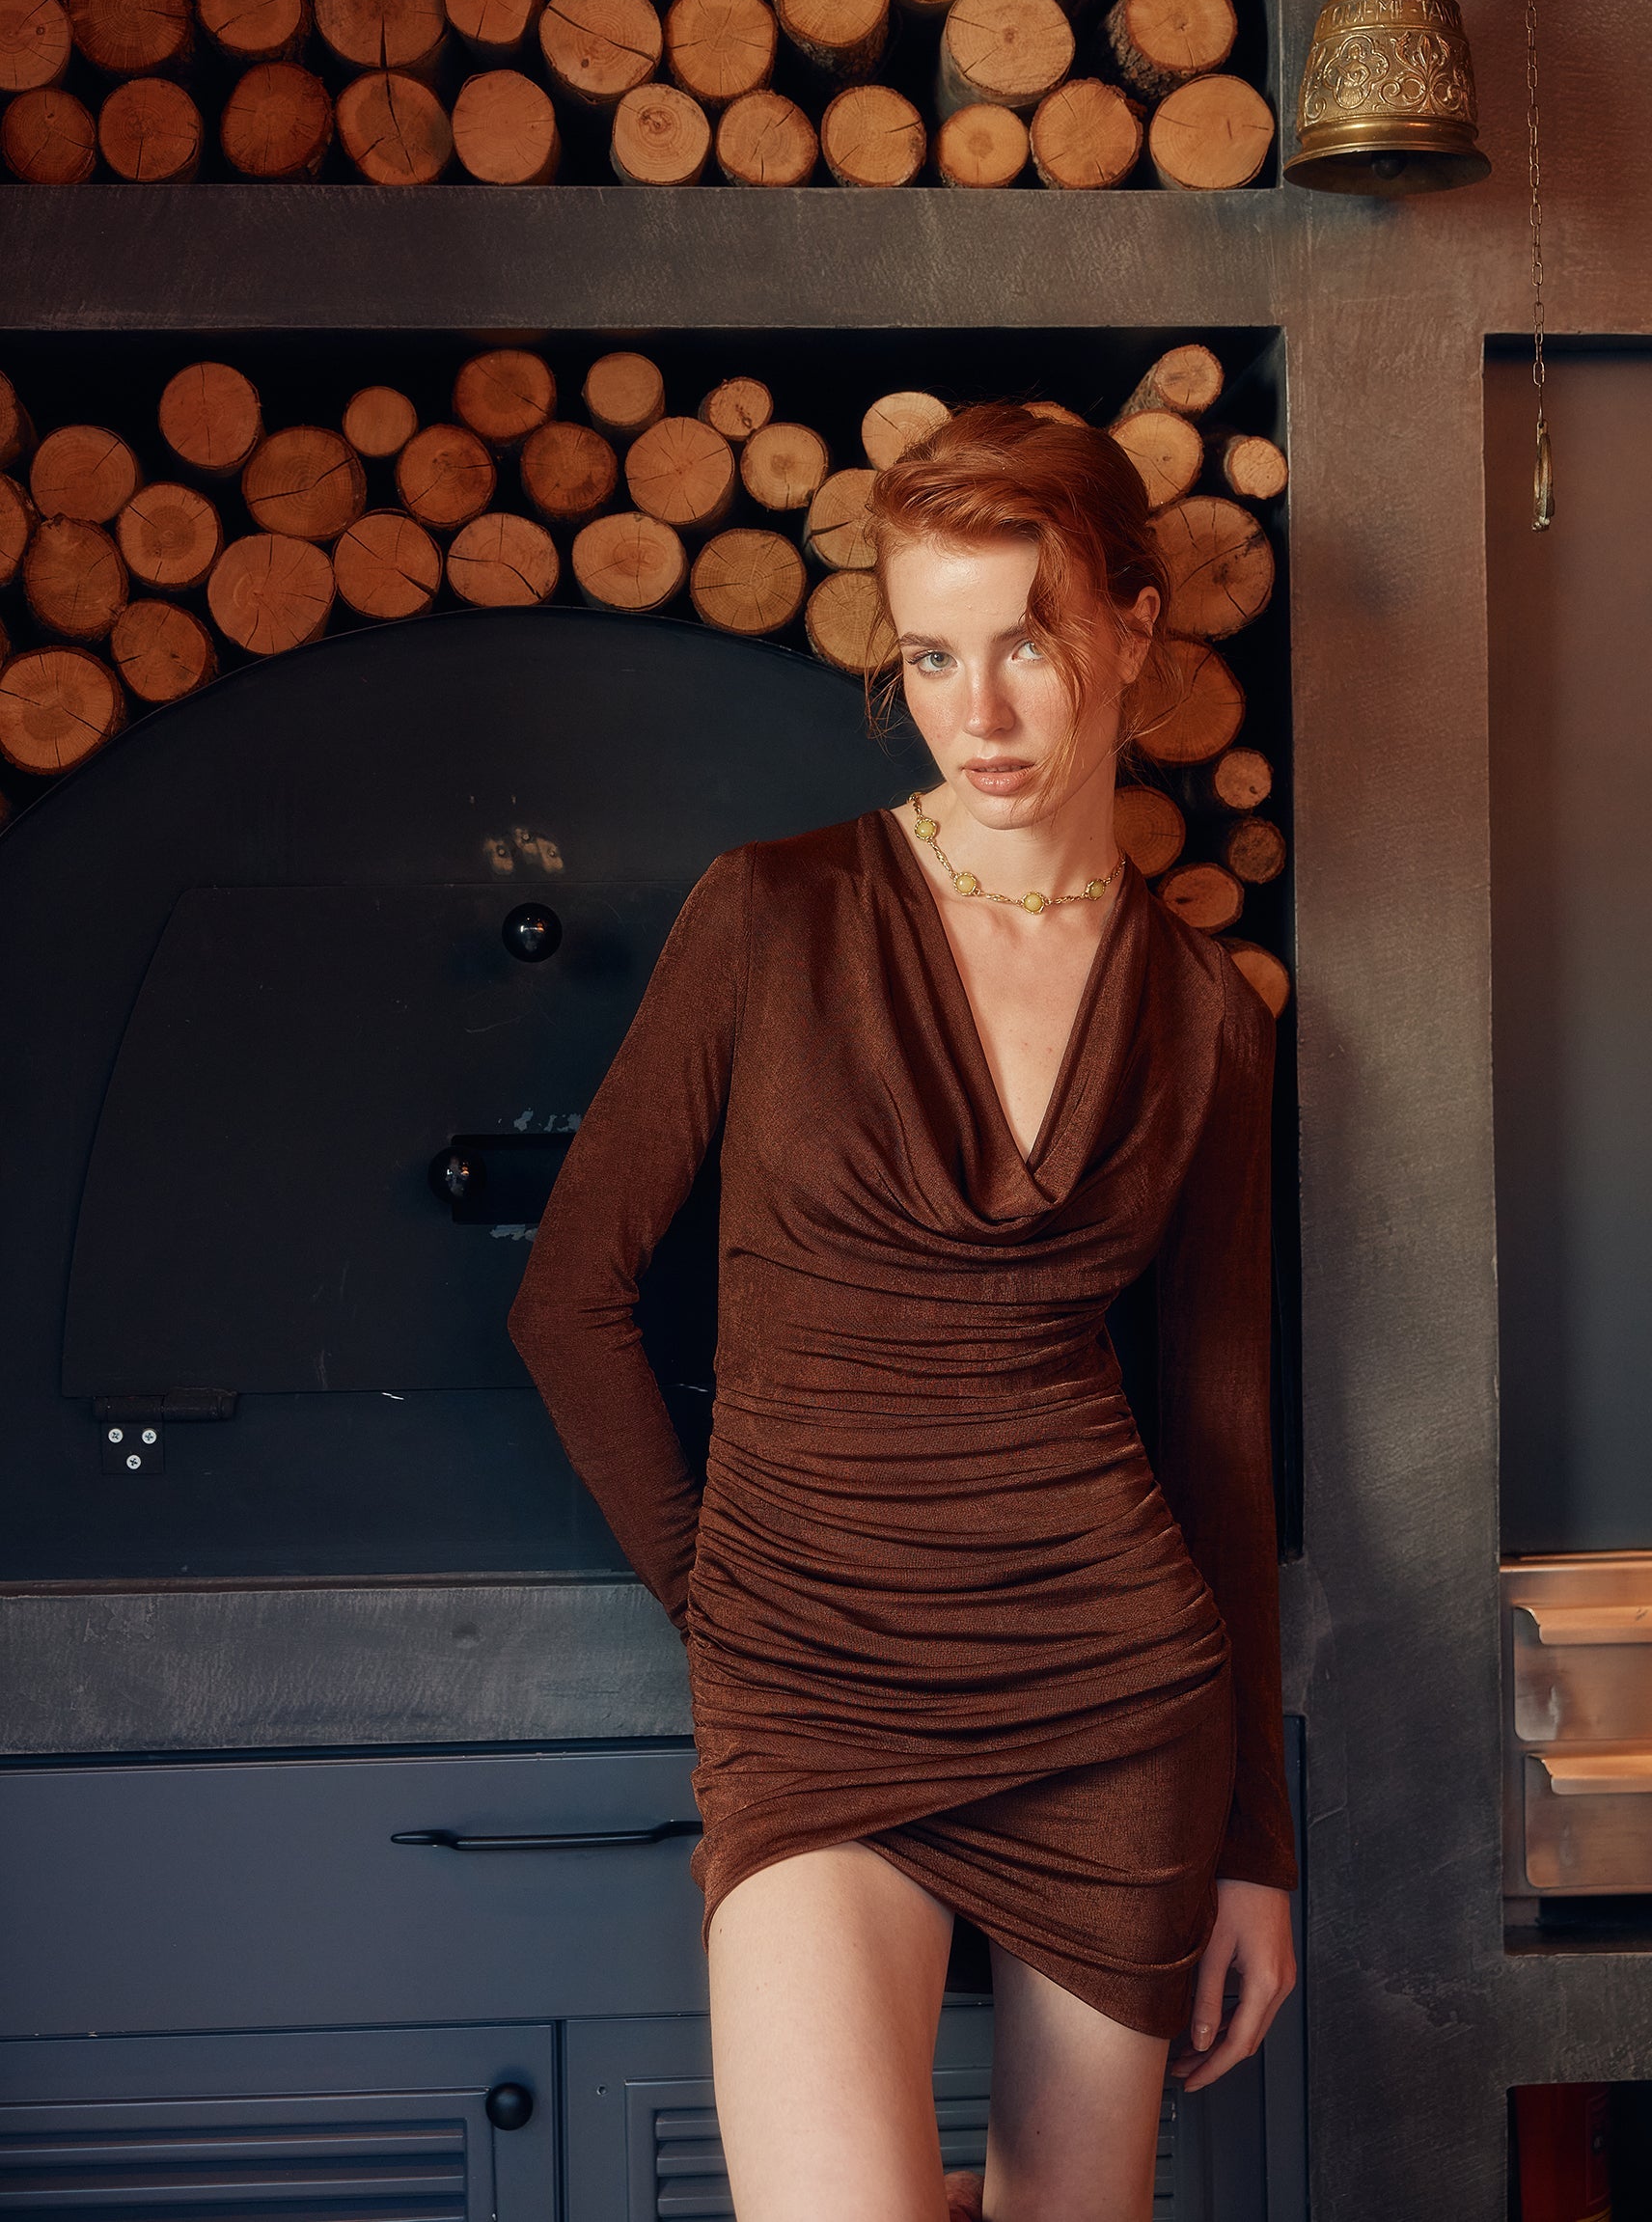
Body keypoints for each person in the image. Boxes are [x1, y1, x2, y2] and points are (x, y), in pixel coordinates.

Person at [508, 400, 1299, 2222]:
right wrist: (729, 1602)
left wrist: (1254, 1843)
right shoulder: (773, 915)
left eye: (1028, 641)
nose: (981, 712)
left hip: (1114, 1705)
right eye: (933, 656)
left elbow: (1220, 1435)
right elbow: (569, 1302)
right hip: (809, 1698)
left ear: (1134, 632)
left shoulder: (1204, 1014)